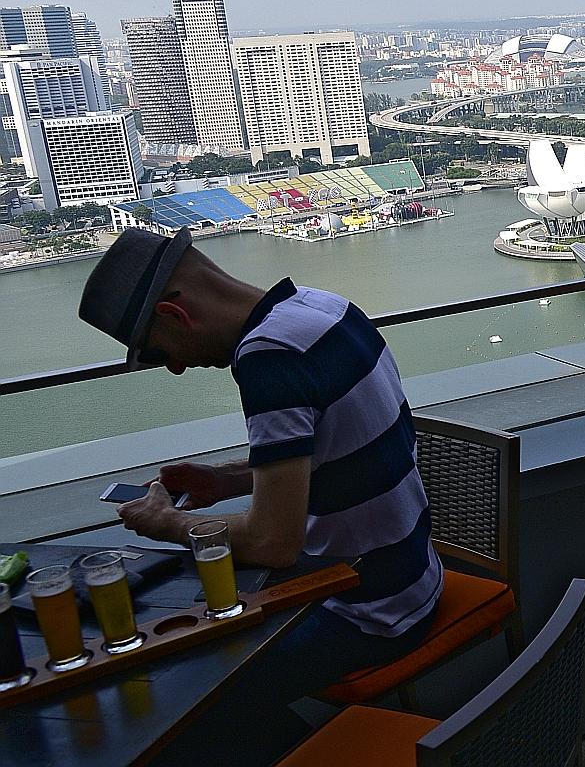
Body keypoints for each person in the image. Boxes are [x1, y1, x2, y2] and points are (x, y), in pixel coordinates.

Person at [77, 227, 443, 764]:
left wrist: (165, 522)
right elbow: (338, 447)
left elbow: (274, 543)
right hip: (413, 574)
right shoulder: (323, 308)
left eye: (158, 353)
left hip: (366, 608)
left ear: (174, 315)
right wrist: (228, 479)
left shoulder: (269, 357)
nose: (174, 367)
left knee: (167, 702)